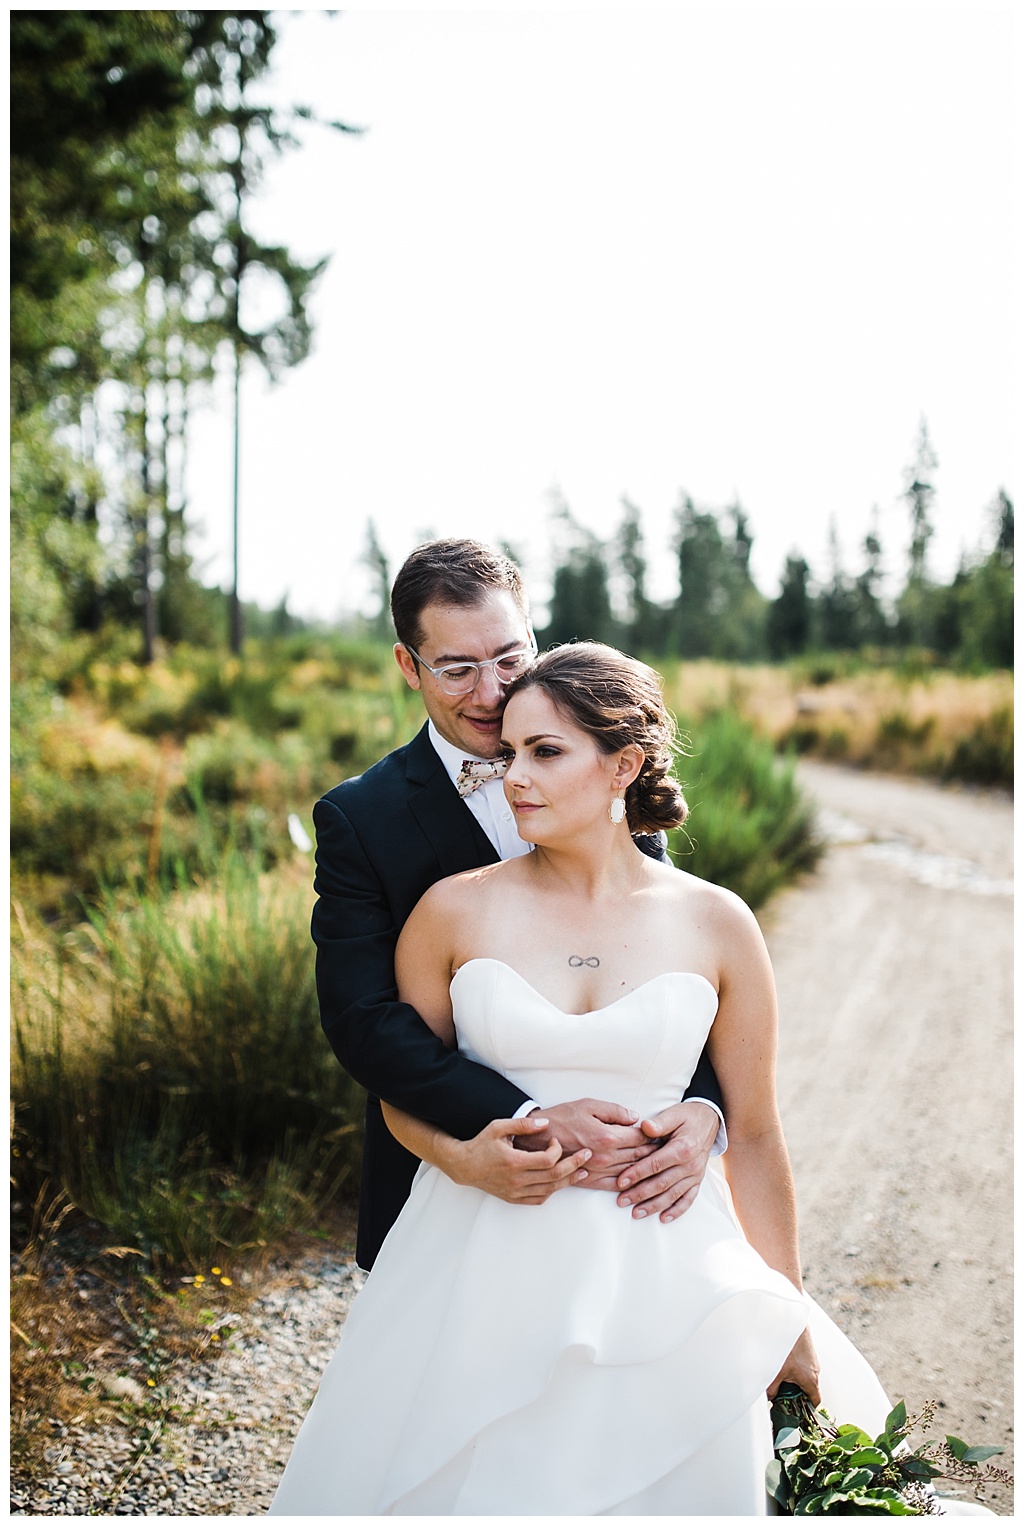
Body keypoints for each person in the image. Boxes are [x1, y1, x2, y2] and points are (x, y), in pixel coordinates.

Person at [270, 642, 932, 1515]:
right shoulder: (450, 911)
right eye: (509, 755)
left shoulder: (717, 921)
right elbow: (399, 1094)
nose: (515, 778)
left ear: (624, 764)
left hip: (669, 1270)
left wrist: (788, 1313)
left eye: (546, 753)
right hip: (476, 1260)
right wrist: (467, 1160)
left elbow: (759, 1134)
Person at [311, 538, 724, 1273]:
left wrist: (703, 1108)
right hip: (463, 1180)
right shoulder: (362, 818)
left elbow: (679, 966)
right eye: (458, 668)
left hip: (641, 1196)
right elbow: (364, 1024)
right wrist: (527, 1121)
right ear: (409, 666)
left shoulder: (599, 763)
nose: (491, 691)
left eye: (509, 657)